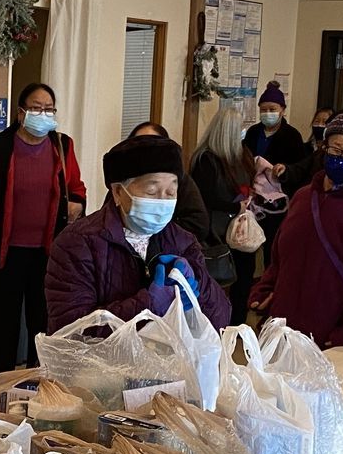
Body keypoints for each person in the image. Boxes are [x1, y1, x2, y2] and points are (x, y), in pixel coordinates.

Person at [48, 132, 231, 332]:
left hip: (165, 361)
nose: (162, 201)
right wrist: (147, 307)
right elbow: (70, 328)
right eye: (151, 192)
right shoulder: (78, 243)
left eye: (171, 192)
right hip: (101, 362)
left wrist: (198, 285)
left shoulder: (183, 242)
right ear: (118, 192)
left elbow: (219, 321)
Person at [0, 81, 86, 371]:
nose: (42, 114)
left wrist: (77, 203)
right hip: (3, 253)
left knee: (43, 324)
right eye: (35, 108)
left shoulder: (62, 145)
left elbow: (76, 186)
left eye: (49, 109)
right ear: (20, 113)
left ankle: (40, 386)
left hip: (48, 253)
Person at [249, 112, 343, 348]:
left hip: (333, 341)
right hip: (284, 331)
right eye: (336, 149)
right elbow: (279, 258)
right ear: (324, 148)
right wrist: (263, 292)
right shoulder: (303, 197)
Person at [191, 101, 263, 324]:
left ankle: (238, 322)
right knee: (218, 278)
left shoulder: (242, 154)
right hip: (216, 231)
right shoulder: (206, 160)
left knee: (244, 275)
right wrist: (235, 206)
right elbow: (206, 196)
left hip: (240, 227)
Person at [128, 120, 208, 242]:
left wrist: (157, 232)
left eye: (152, 145)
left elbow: (199, 224)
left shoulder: (180, 180)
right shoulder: (124, 180)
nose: (145, 151)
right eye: (138, 144)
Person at [285, 107, 336, 197]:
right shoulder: (304, 147)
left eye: (324, 122)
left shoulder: (331, 154)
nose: (320, 125)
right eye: (316, 121)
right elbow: (298, 168)